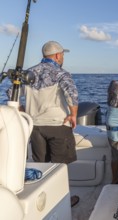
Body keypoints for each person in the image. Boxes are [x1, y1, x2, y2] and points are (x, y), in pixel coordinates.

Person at [6, 40, 80, 207]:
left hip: (35, 127)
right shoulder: (61, 73)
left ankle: (44, 199)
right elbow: (72, 95)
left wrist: (24, 112)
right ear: (57, 55)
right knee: (60, 166)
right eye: (62, 55)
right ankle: (62, 201)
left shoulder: (28, 73)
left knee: (42, 165)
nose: (62, 58)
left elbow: (12, 94)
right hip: (58, 126)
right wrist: (73, 115)